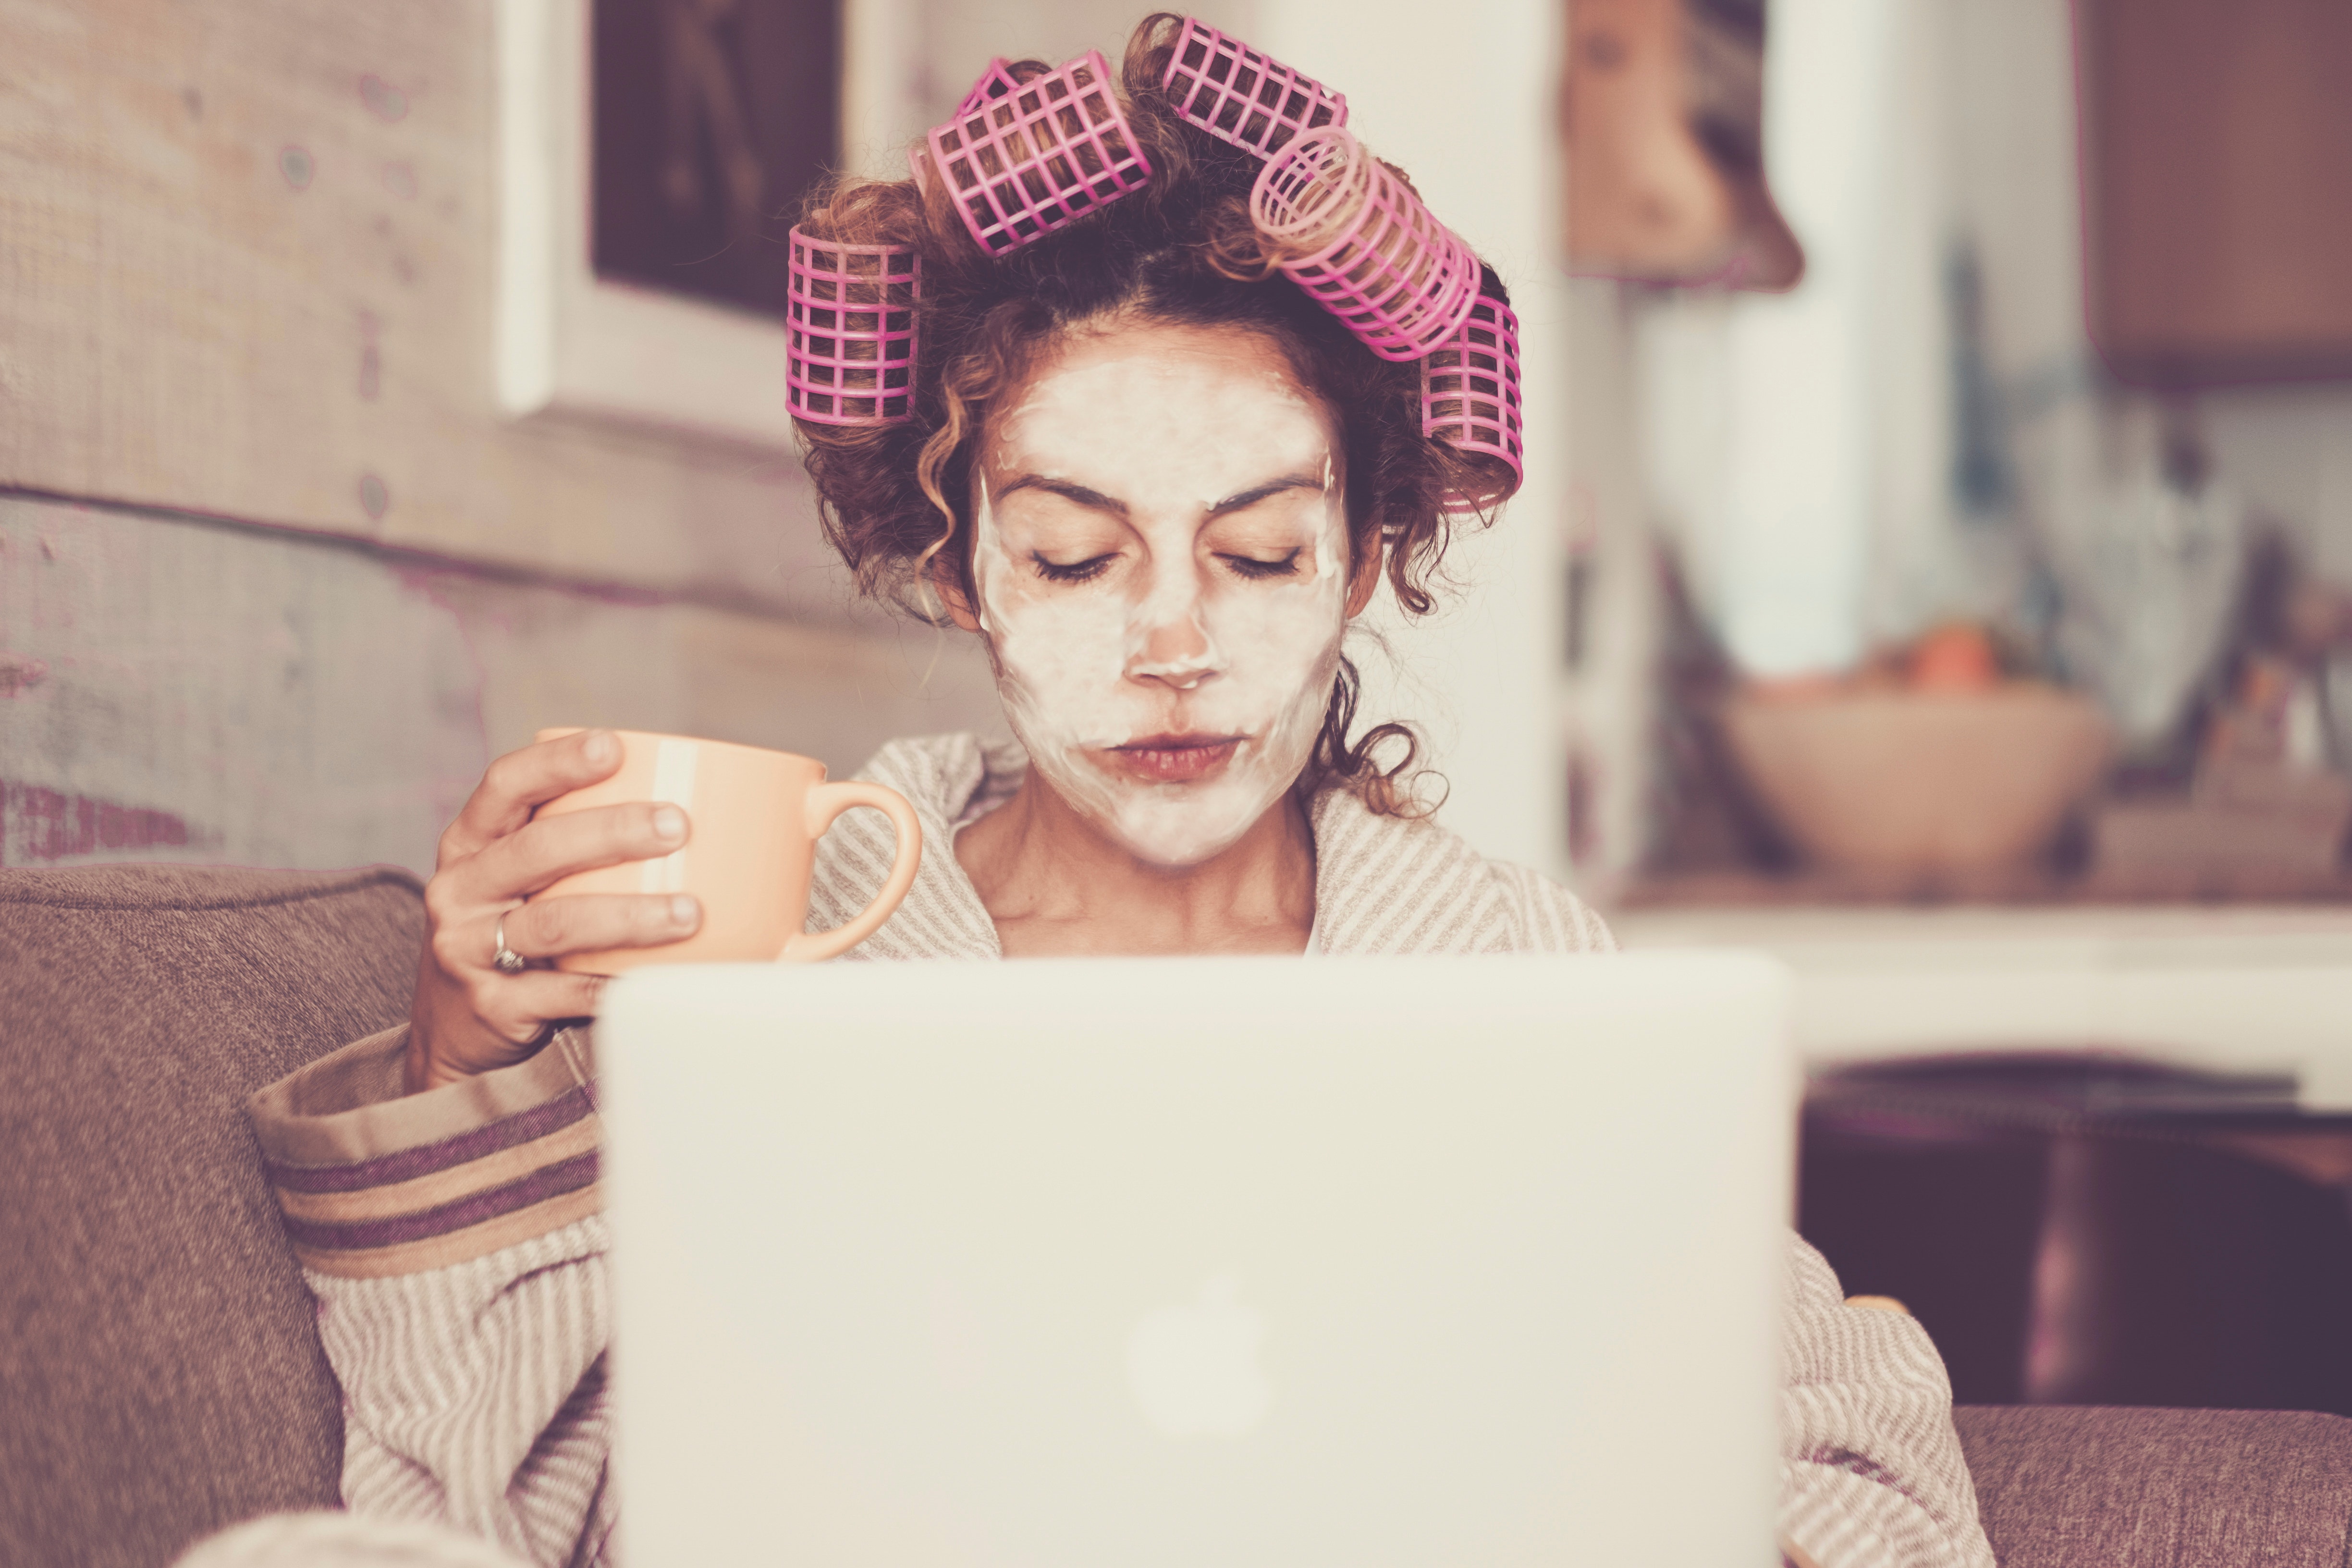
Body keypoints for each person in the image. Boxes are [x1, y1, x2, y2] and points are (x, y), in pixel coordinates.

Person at [220, 16, 1994, 1568]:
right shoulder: (777, 973)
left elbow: (1830, 1422)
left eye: (1262, 550)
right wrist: (470, 1065)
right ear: (959, 569)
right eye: (1074, 558)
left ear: (1364, 563)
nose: (1172, 642)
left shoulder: (1517, 974)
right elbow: (507, 1501)